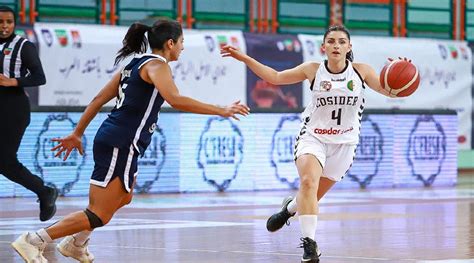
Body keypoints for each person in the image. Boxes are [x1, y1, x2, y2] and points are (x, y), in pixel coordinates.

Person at [12, 19, 250, 262]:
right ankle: (34, 240)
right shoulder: (158, 66)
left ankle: (77, 242)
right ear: (170, 43)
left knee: (124, 197)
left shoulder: (134, 64)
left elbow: (97, 99)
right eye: (181, 42)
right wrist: (221, 109)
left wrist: (78, 133)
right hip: (121, 141)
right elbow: (176, 100)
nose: (182, 48)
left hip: (116, 138)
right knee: (99, 214)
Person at [221, 25, 409, 263]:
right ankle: (310, 247)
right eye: (331, 41)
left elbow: (392, 92)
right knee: (308, 182)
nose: (336, 45)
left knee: (310, 198)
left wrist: (397, 76)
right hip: (314, 138)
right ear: (324, 47)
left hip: (344, 145)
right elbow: (275, 77)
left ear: (349, 47)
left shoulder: (361, 72)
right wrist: (243, 57)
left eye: (342, 42)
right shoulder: (313, 70)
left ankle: (289, 209)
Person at [0, 6, 58, 222]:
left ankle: (44, 191)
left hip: (13, 109)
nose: (5, 26)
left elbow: (39, 77)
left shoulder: (23, 46)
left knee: (5, 161)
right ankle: (43, 191)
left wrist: (13, 81)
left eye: (9, 21)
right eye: (0, 22)